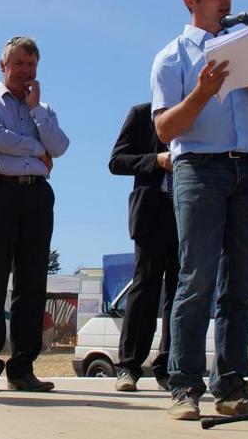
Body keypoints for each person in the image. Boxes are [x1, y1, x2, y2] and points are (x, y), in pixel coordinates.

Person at [151, 0, 248, 420]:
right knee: (197, 280)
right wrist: (202, 92)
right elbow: (166, 129)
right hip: (200, 170)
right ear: (190, 0)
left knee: (242, 285)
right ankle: (184, 385)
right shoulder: (171, 57)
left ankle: (231, 385)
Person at [0, 36, 69, 393]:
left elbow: (60, 146)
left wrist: (37, 112)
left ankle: (22, 367)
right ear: (3, 67)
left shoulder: (42, 108)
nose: (26, 72)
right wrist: (36, 146)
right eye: (19, 64)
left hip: (37, 196)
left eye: (32, 65)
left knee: (32, 283)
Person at [108, 103, 178, 392]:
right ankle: (129, 367)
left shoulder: (204, 111)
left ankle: (171, 367)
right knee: (145, 286)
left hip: (192, 211)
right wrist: (157, 160)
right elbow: (117, 161)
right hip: (152, 212)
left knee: (182, 292)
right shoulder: (141, 114)